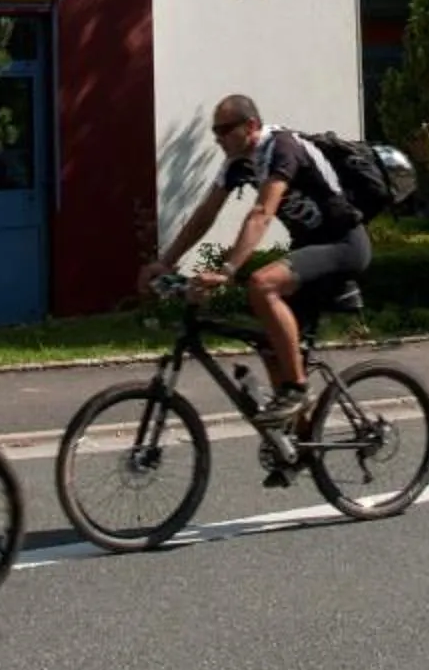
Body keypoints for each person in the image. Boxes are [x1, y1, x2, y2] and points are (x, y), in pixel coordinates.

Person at [150, 95, 372, 433]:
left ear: (250, 126)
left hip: (344, 244)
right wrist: (166, 262)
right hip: (310, 247)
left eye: (224, 130)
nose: (217, 138)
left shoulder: (282, 148)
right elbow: (205, 215)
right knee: (268, 342)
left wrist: (227, 271)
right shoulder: (238, 164)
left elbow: (261, 213)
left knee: (262, 283)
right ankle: (297, 442)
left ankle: (297, 389)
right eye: (215, 131)